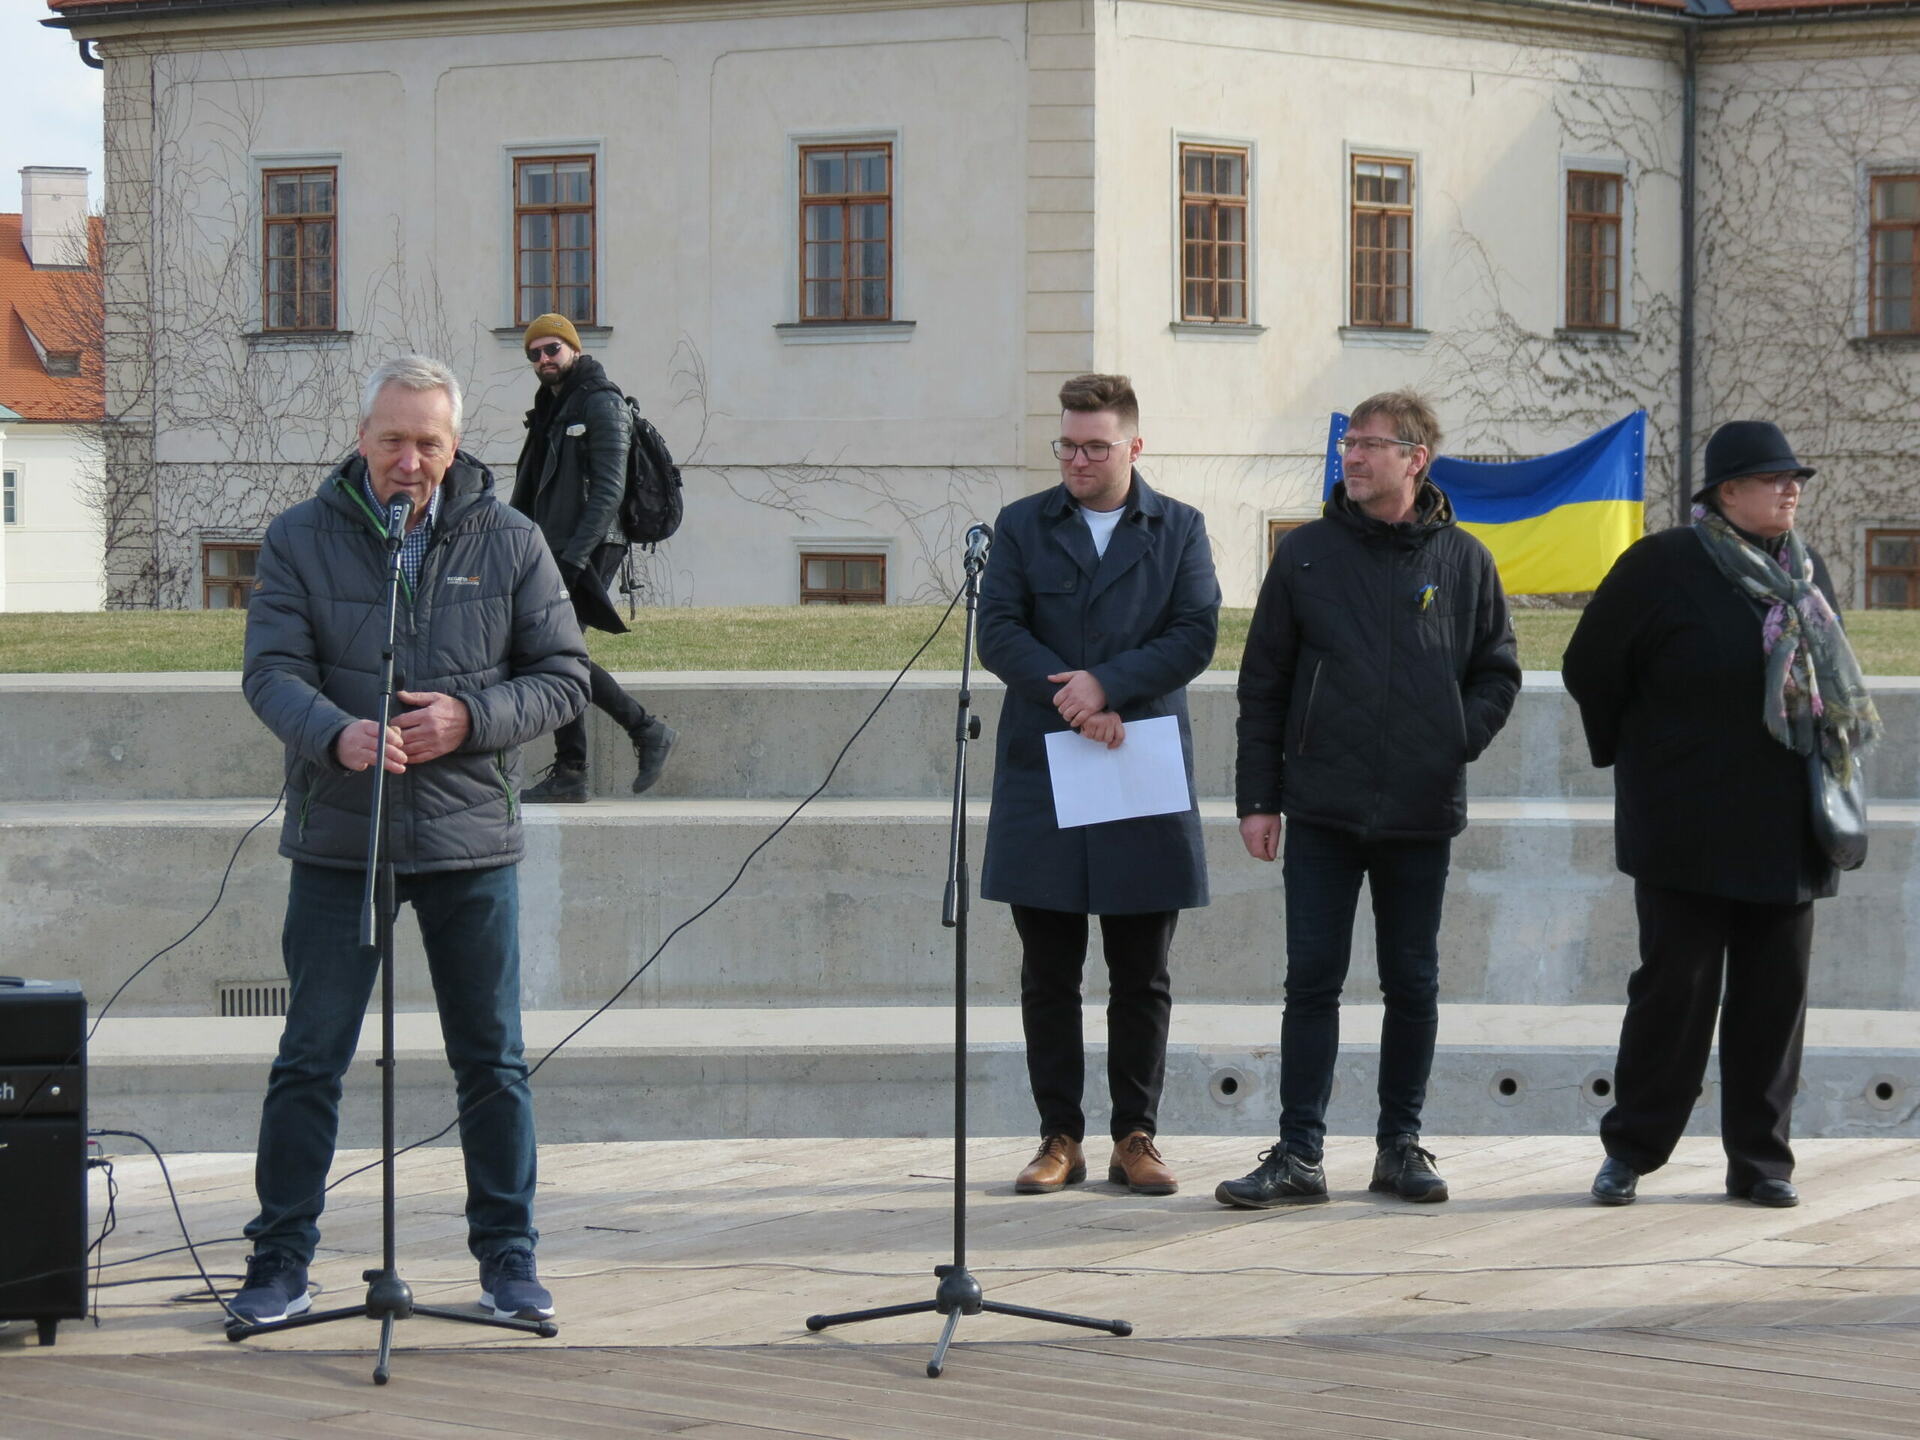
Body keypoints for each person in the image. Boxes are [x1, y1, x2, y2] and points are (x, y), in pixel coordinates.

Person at [230, 355, 590, 1325]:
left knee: (492, 1059)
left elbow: (564, 677)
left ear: (455, 445)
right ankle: (279, 1263)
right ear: (363, 439)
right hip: (343, 837)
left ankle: (507, 1261)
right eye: (393, 439)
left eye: (429, 442)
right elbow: (269, 671)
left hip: (469, 841)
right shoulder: (302, 538)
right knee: (311, 1054)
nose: (410, 459)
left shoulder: (510, 539)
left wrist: (468, 719)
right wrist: (334, 734)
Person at [1564, 420, 1880, 1209]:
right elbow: (1590, 667)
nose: (1791, 489)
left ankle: (1761, 1161)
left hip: (1785, 827)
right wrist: (1646, 757)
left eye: (1794, 478)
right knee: (1675, 994)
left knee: (1775, 1000)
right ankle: (1632, 1149)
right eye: (1773, 479)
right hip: (1686, 827)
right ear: (1726, 493)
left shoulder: (1807, 577)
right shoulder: (1663, 565)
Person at [1219, 391, 1519, 1210]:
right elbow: (1264, 686)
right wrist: (1258, 798)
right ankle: (1300, 1154)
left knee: (1412, 983)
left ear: (1415, 459)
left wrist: (1455, 736)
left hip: (1421, 812)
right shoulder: (1306, 555)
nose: (1352, 457)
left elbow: (1498, 670)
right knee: (1311, 982)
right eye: (1349, 443)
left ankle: (1399, 1146)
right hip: (1321, 806)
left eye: (1371, 445)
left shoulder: (1464, 561)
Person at [978, 372, 1220, 1197]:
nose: (1077, 460)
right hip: (1046, 764)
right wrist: (1070, 696)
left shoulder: (1179, 528)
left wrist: (1108, 686)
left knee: (1140, 970)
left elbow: (1195, 633)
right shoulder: (1021, 526)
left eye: (1095, 446)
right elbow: (999, 629)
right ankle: (1059, 1138)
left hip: (1136, 762)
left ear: (1133, 446)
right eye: (1067, 445)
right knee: (1048, 968)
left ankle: (1135, 1136)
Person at [509, 313, 676, 801]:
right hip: (550, 548)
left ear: (573, 350)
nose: (543, 360)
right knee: (555, 654)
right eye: (535, 354)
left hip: (589, 546)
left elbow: (608, 491)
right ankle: (584, 763)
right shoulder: (550, 408)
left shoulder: (603, 404)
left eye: (552, 350)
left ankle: (611, 749)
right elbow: (530, 487)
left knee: (552, 653)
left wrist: (574, 561)